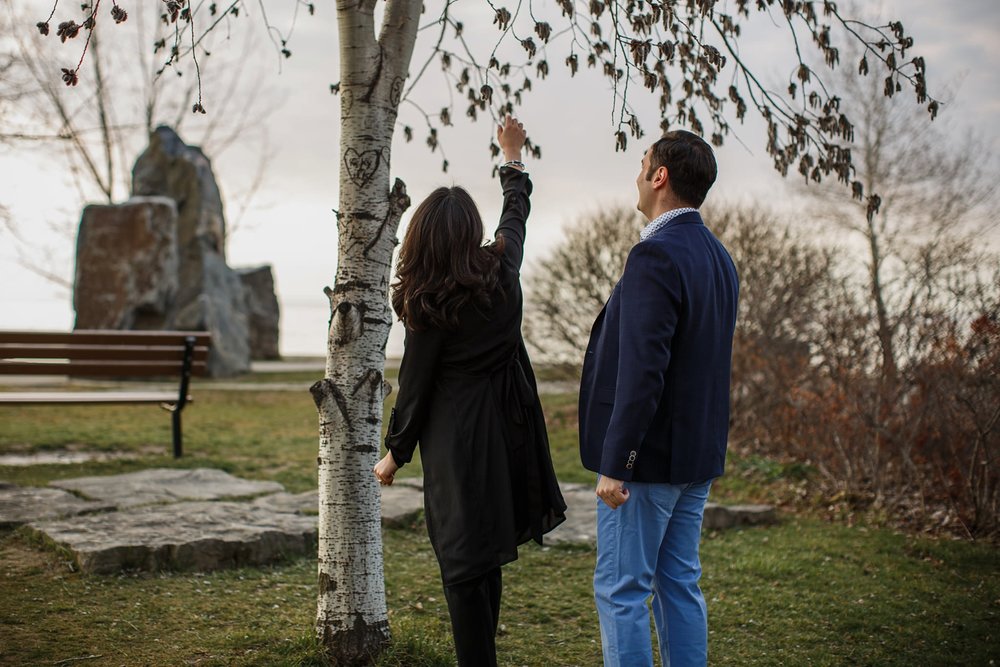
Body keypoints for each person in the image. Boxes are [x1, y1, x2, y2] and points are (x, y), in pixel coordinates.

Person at [373, 115, 566, 667]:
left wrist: (395, 453)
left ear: (422, 238)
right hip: (510, 428)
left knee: (461, 562)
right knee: (485, 557)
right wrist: (512, 156)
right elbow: (516, 212)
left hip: (458, 439)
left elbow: (415, 385)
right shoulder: (502, 267)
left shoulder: (428, 302)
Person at [578, 130, 739, 667]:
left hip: (648, 462)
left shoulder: (654, 254)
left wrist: (616, 461)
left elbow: (643, 371)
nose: (637, 174)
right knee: (679, 585)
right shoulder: (719, 258)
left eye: (641, 162)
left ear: (659, 176)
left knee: (622, 590)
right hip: (697, 456)